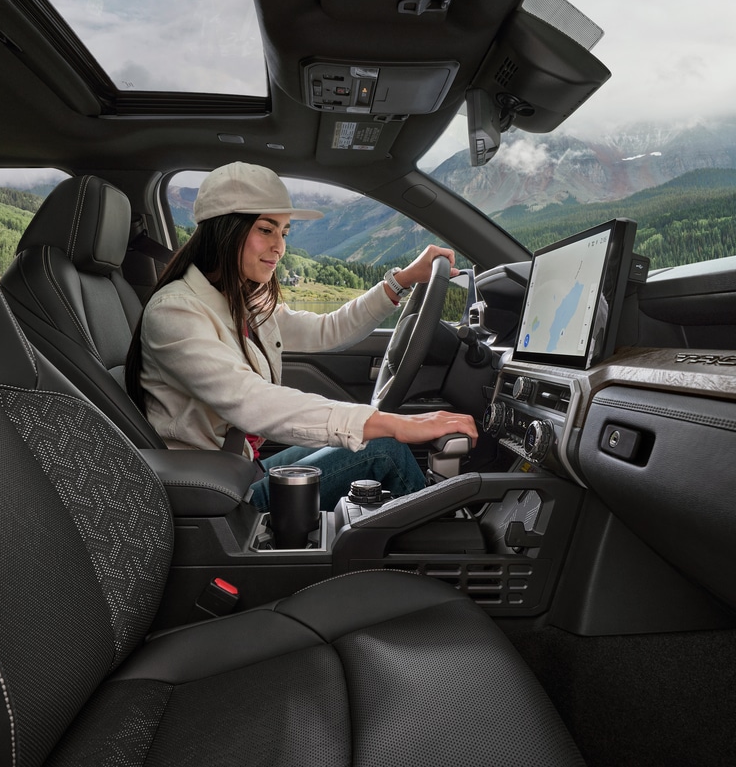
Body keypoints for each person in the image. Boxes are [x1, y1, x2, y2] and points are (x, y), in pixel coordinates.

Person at [125, 161, 478, 511]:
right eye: (266, 230)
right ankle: (439, 542)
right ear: (224, 230)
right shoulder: (176, 312)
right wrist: (394, 424)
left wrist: (401, 280)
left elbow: (329, 330)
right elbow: (252, 401)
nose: (279, 247)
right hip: (216, 497)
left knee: (376, 439)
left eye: (284, 233)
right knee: (384, 447)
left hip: (241, 469)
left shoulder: (241, 303)